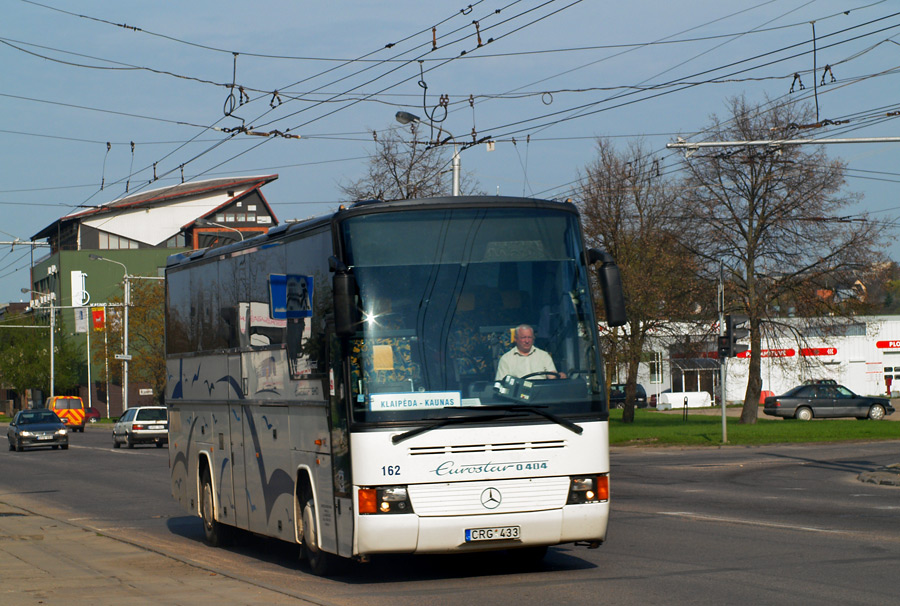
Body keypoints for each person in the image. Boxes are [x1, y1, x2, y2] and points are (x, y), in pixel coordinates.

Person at [495, 324, 565, 380]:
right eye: (523, 337)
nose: (527, 341)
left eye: (529, 337)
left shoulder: (544, 356)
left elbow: (552, 378)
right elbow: (501, 383)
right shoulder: (506, 359)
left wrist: (560, 376)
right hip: (517, 396)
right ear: (516, 339)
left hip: (541, 394)